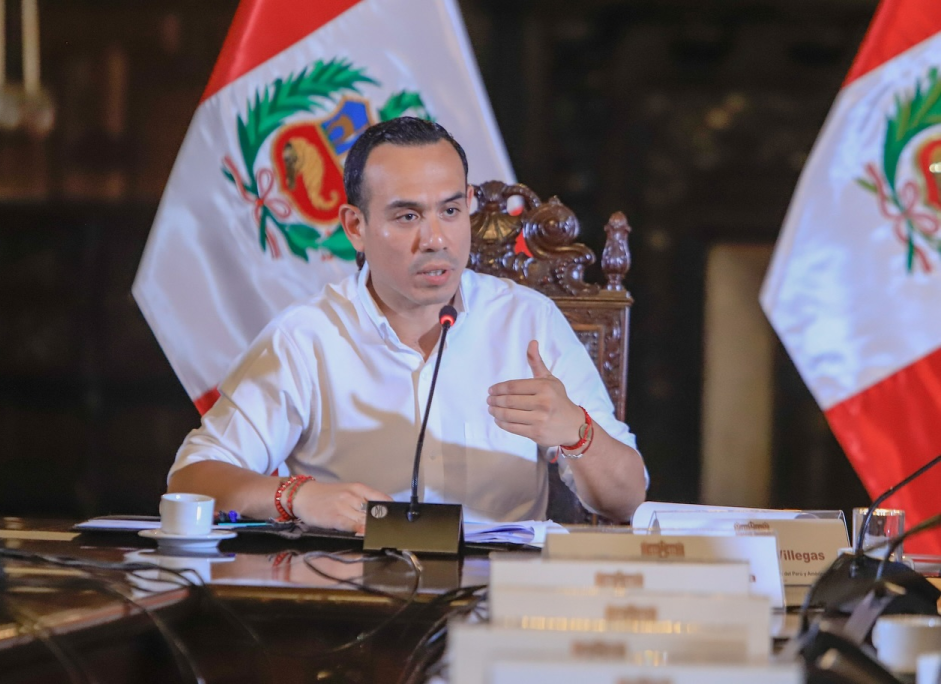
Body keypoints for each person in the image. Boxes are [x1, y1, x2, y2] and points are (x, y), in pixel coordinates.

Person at [168, 117, 647, 532]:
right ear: (355, 227)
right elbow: (192, 480)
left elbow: (627, 499)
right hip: (349, 590)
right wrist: (296, 496)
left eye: (451, 211)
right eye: (407, 216)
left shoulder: (527, 320)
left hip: (498, 590)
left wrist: (576, 431)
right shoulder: (306, 337)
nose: (435, 239)